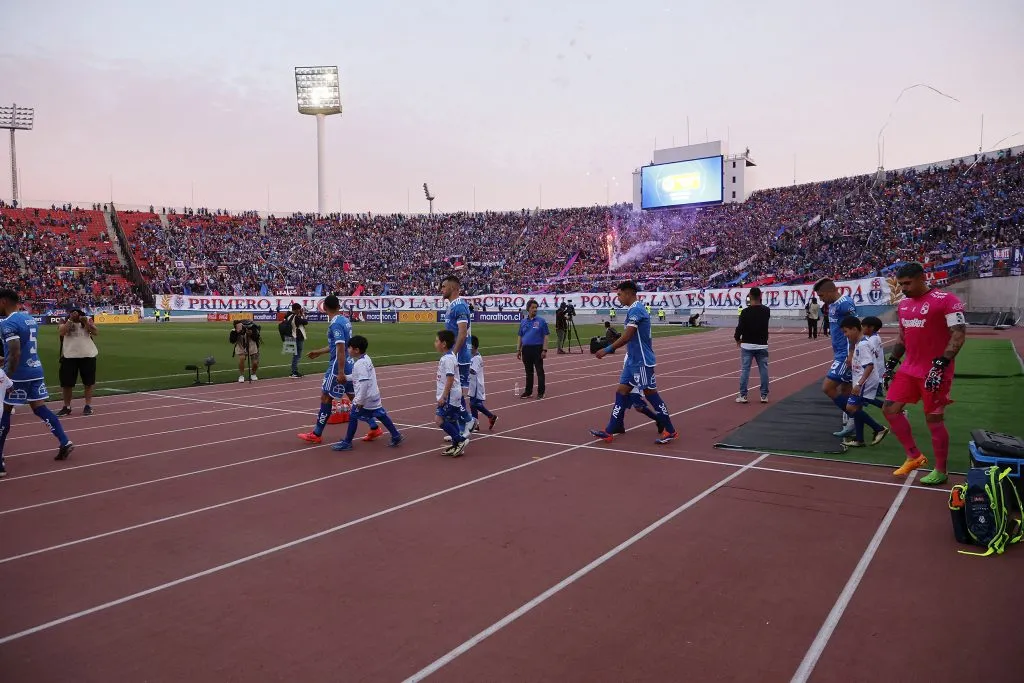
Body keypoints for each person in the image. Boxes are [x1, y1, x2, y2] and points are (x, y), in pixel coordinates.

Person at [881, 262, 967, 486]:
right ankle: (914, 456)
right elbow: (902, 338)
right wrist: (891, 363)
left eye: (907, 283)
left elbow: (958, 335)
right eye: (900, 285)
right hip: (909, 368)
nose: (903, 288)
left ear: (921, 278)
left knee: (933, 419)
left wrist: (943, 362)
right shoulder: (904, 305)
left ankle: (941, 470)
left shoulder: (947, 301)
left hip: (935, 372)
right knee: (889, 409)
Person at [590, 281, 678, 445]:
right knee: (621, 392)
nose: (618, 297)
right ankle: (609, 431)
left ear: (629, 293)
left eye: (619, 294)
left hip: (642, 361)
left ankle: (671, 430)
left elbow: (627, 336)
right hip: (632, 360)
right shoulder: (633, 310)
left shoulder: (637, 309)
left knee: (651, 395)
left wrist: (606, 349)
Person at [0, 288, 74, 476]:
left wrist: (6, 376)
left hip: (18, 374)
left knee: (5, 411)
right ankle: (64, 440)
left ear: (3, 301)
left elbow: (15, 351)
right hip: (35, 369)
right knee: (40, 407)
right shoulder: (30, 319)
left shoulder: (8, 323)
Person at [329, 335, 403, 451]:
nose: (348, 350)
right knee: (381, 414)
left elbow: (364, 383)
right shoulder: (366, 359)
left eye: (349, 348)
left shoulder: (360, 364)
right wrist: (346, 378)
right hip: (374, 395)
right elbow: (358, 376)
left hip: (366, 398)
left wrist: (360, 401)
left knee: (353, 415)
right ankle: (396, 435)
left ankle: (347, 442)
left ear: (356, 350)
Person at [297, 295, 352, 444]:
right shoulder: (345, 320)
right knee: (356, 399)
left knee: (326, 397)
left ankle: (316, 433)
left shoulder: (335, 324)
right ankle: (374, 426)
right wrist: (319, 352)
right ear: (339, 307)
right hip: (349, 362)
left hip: (337, 366)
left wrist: (340, 372)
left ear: (324, 307)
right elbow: (338, 345)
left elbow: (340, 348)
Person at [812, 278, 858, 437]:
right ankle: (852, 421)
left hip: (845, 354)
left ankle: (855, 418)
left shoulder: (845, 304)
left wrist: (851, 353)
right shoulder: (831, 305)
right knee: (846, 389)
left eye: (822, 295)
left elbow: (854, 329)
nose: (820, 299)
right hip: (839, 352)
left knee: (828, 387)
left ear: (831, 291)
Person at [838, 316, 890, 448]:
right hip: (861, 378)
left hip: (865, 381)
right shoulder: (860, 342)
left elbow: (869, 365)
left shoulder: (863, 344)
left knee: (851, 408)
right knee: (857, 408)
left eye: (846, 331)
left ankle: (879, 428)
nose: (845, 335)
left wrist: (859, 383)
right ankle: (859, 440)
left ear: (855, 329)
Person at [440, 275, 474, 438]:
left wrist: (453, 354)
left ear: (453, 288)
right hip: (455, 355)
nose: (441, 289)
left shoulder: (459, 306)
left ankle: (467, 420)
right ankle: (460, 427)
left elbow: (462, 333)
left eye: (444, 286)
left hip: (459, 357)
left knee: (455, 392)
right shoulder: (452, 306)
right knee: (454, 393)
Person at [56, 307, 99, 416]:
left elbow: (95, 332)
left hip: (87, 354)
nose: (76, 316)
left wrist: (86, 323)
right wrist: (70, 320)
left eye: (77, 314)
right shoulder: (64, 320)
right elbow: (62, 332)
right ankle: (67, 406)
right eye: (73, 313)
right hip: (69, 355)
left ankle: (88, 405)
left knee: (88, 382)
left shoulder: (87, 320)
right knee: (66, 384)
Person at [734, 286, 771, 404]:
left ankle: (743, 395)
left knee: (745, 370)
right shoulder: (766, 310)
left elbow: (740, 328)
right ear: (760, 296)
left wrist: (737, 339)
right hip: (762, 344)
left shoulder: (745, 312)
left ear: (749, 296)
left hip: (747, 345)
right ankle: (764, 395)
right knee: (763, 370)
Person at [435, 329, 468, 457]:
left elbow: (450, 378)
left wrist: (443, 396)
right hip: (453, 394)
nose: (435, 343)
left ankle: (461, 441)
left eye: (437, 341)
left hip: (449, 395)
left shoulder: (447, 359)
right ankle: (456, 445)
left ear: (443, 344)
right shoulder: (449, 356)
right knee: (452, 420)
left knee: (438, 419)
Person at [517, 299, 549, 399]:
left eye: (536, 308)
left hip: (537, 348)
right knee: (528, 371)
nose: (535, 310)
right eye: (533, 308)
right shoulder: (523, 322)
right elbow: (520, 336)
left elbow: (546, 336)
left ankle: (541, 392)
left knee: (539, 371)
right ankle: (528, 391)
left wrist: (544, 350)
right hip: (526, 349)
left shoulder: (541, 321)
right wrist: (518, 349)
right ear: (528, 309)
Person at [468, 335, 497, 430]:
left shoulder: (476, 358)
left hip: (476, 385)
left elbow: (473, 371)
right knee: (473, 404)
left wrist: (463, 368)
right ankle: (476, 424)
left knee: (474, 404)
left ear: (472, 346)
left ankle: (490, 416)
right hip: (473, 384)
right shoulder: (474, 357)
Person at [285, 303, 308, 378]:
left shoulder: (288, 316)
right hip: (297, 337)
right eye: (299, 309)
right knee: (297, 355)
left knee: (295, 355)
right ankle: (294, 372)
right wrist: (303, 314)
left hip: (290, 336)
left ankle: (294, 371)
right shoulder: (296, 317)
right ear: (297, 309)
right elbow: (305, 322)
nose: (299, 310)